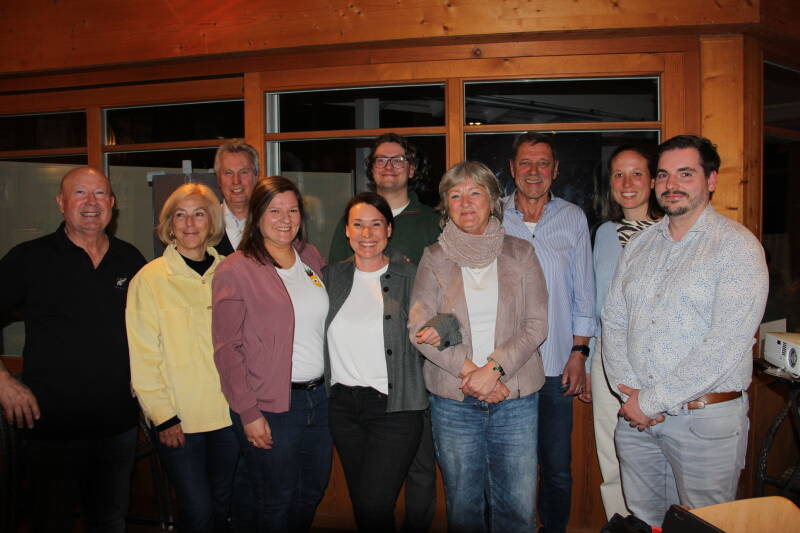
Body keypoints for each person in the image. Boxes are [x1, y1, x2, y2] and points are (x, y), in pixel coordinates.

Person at [602, 135, 769, 526]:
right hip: (637, 420)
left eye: (685, 174)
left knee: (702, 525)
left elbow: (725, 344)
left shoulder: (737, 247)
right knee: (646, 521)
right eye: (663, 175)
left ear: (711, 180)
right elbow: (614, 320)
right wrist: (630, 395)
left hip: (703, 422)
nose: (671, 184)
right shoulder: (640, 244)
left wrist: (650, 401)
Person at [0, 167, 145, 532]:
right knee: (50, 522)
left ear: (112, 203)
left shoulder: (130, 260)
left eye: (100, 194)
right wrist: (3, 382)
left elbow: (151, 332)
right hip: (49, 427)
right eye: (80, 193)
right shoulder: (29, 258)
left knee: (109, 521)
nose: (91, 203)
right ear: (61, 202)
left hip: (117, 426)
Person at [409, 161, 549, 533]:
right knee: (463, 506)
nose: (466, 203)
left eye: (475, 193)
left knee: (517, 507)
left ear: (492, 201)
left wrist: (495, 370)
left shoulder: (521, 253)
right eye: (455, 195)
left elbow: (536, 324)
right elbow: (419, 329)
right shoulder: (434, 257)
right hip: (454, 399)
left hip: (515, 397)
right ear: (446, 205)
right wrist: (474, 374)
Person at [329, 133, 440, 533]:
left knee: (416, 473)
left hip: (407, 385)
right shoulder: (336, 265)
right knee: (368, 497)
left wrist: (439, 328)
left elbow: (448, 301)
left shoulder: (431, 223)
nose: (367, 233)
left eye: (398, 159)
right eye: (381, 159)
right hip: (347, 400)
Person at [212, 176, 332, 533]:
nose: (285, 219)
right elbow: (227, 349)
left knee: (311, 491)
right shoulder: (236, 268)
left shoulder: (310, 256)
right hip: (271, 407)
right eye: (274, 210)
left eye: (292, 210)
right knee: (274, 500)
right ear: (257, 215)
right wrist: (248, 413)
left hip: (320, 400)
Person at [126, 183, 238, 532]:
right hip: (180, 422)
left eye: (199, 214)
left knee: (222, 506)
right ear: (170, 225)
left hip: (230, 416)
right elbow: (143, 355)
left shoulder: (232, 272)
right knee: (197, 511)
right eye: (180, 215)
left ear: (212, 222)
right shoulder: (150, 280)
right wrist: (163, 417)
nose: (190, 223)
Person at [501, 132, 595, 533]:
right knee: (510, 466)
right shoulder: (492, 216)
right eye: (525, 162)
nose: (534, 171)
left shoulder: (573, 218)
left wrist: (579, 353)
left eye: (543, 163)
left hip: (557, 366)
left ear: (555, 171)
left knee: (556, 467)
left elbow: (584, 293)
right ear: (512, 169)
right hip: (506, 368)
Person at [584, 144, 663, 520]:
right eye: (618, 174)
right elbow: (596, 302)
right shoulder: (603, 233)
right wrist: (589, 367)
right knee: (611, 448)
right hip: (607, 357)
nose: (627, 183)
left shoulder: (671, 232)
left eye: (636, 173)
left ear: (653, 180)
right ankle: (621, 522)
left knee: (658, 450)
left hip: (658, 358)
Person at [214, 139, 259, 255]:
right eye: (228, 173)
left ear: (256, 176)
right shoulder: (206, 223)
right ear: (218, 179)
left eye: (243, 172)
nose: (236, 181)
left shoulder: (271, 223)